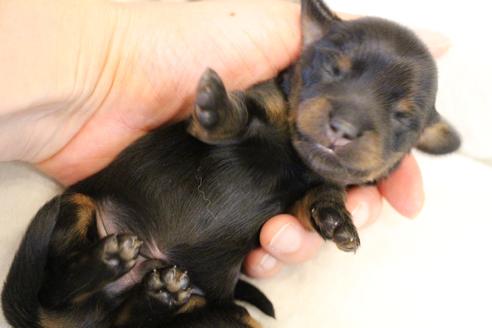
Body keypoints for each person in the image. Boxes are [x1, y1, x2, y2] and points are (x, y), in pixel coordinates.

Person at [0, 0, 449, 278]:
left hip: (179, 287)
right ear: (310, 40)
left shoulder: (339, 181)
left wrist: (326, 210)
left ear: (420, 140)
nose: (346, 125)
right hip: (113, 231)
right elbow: (248, 115)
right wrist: (219, 117)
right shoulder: (277, 98)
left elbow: (318, 195)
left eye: (401, 119)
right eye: (332, 71)